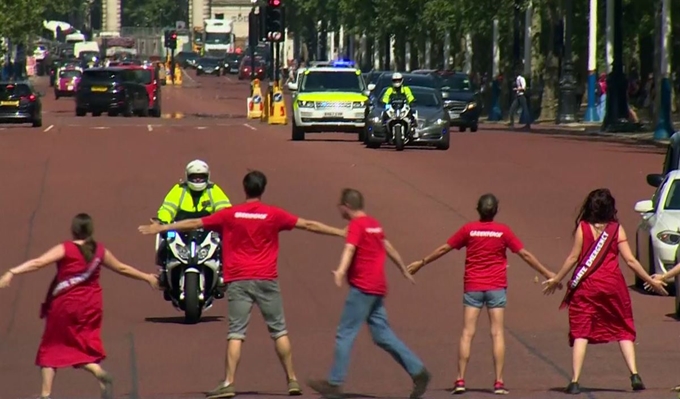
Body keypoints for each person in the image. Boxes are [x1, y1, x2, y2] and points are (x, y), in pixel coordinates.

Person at [138, 170, 346, 399]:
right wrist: (339, 232)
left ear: (245, 188)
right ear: (262, 189)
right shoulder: (273, 214)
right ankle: (292, 380)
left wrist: (162, 228)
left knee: (236, 333)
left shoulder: (231, 214)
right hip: (267, 279)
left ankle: (228, 383)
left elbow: (195, 222)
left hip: (239, 280)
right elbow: (308, 225)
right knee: (279, 331)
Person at [406, 193, 556, 395]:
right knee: (497, 333)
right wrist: (548, 273)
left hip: (473, 287)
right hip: (496, 287)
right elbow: (525, 254)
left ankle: (460, 380)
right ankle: (499, 382)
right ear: (495, 211)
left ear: (478, 209)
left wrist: (422, 262)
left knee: (468, 333)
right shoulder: (503, 231)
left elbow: (444, 248)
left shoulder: (469, 230)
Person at [0, 213, 159, 399]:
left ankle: (45, 394)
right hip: (91, 306)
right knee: (84, 342)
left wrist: (12, 272)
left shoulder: (66, 249)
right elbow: (122, 268)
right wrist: (147, 277)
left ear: (73, 230)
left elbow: (38, 263)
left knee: (51, 345)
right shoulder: (100, 251)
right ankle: (98, 372)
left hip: (66, 305)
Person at [307, 188, 430, 399]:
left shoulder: (356, 225)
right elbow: (388, 247)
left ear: (346, 206)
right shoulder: (374, 224)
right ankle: (418, 371)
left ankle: (335, 383)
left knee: (345, 334)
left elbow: (349, 249)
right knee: (383, 335)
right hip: (377, 287)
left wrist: (340, 271)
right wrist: (402, 268)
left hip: (363, 288)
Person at [542, 188, 668, 395]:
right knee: (623, 328)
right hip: (613, 286)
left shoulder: (583, 228)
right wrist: (649, 280)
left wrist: (557, 278)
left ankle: (574, 380)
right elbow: (630, 260)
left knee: (581, 330)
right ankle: (634, 374)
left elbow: (573, 258)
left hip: (587, 287)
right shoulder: (616, 229)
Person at [155, 159, 232, 288]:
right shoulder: (179, 190)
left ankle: (224, 272)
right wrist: (163, 220)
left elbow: (224, 208)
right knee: (164, 237)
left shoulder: (213, 190)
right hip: (181, 228)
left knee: (225, 239)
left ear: (207, 177)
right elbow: (167, 208)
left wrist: (224, 218)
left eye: (201, 177)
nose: (197, 181)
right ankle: (163, 271)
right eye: (194, 177)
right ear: (187, 177)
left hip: (207, 228)